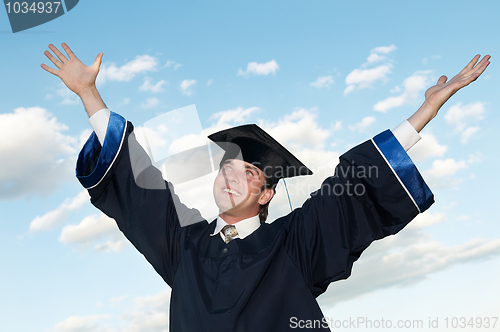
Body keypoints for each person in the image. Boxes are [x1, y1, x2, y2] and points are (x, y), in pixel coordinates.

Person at [42, 43, 490, 332]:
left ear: (268, 194)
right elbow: (142, 188)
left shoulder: (294, 242)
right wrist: (89, 96)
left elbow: (351, 186)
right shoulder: (185, 245)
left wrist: (425, 111)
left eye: (249, 172)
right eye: (226, 168)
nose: (230, 174)